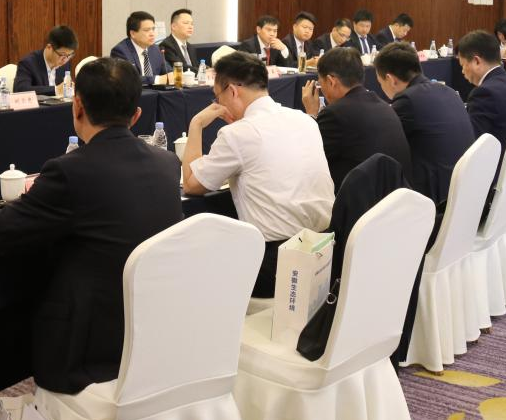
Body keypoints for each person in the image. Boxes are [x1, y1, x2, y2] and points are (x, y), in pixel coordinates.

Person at [0, 58, 182, 394]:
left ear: (78, 106)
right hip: (155, 334)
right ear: (136, 115)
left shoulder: (71, 171)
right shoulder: (168, 163)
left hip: (89, 352)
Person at [182, 52, 334, 297]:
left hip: (274, 264)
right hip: (324, 251)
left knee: (196, 265)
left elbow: (191, 184)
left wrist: (196, 124)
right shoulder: (304, 119)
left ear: (232, 91)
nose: (218, 104)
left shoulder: (239, 134)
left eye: (217, 97)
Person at [374, 43, 475, 206]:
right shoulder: (449, 92)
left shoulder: (407, 100)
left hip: (437, 202)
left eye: (380, 83)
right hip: (466, 191)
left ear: (390, 79)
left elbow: (383, 143)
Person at [300, 48, 411, 192]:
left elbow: (310, 158)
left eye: (321, 85)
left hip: (363, 201)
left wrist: (311, 114)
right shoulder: (384, 106)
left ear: (331, 81)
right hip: (399, 196)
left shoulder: (334, 114)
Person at [457, 30, 506, 152]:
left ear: (476, 61)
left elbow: (471, 145)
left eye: (463, 65)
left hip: (496, 161)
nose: (463, 71)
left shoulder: (484, 93)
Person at [14, 25, 77, 95]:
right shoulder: (28, 63)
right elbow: (21, 89)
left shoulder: (65, 63)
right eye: (62, 55)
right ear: (49, 47)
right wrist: (56, 90)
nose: (65, 60)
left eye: (69, 55)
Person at [110, 11, 167, 84]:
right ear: (133, 33)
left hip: (156, 91)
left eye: (153, 29)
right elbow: (127, 78)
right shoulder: (120, 51)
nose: (152, 34)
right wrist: (157, 79)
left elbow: (168, 71)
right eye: (147, 30)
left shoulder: (156, 49)